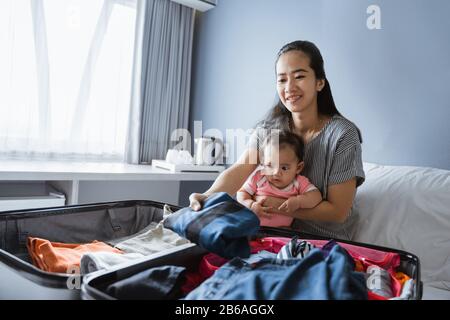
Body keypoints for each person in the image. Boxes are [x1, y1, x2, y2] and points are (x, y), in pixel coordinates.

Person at [189, 40, 365, 240]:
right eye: (282, 80)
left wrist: (277, 206)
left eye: (299, 76)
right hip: (266, 235)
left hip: (321, 242)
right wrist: (208, 195)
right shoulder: (268, 130)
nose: (289, 87)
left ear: (319, 82)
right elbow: (240, 169)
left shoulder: (343, 135)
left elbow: (338, 212)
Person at [237, 130, 322, 227]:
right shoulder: (260, 177)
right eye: (270, 165)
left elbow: (316, 196)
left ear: (298, 168)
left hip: (282, 231)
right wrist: (251, 205)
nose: (276, 173)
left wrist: (299, 202)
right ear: (263, 162)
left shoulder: (298, 182)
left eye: (284, 168)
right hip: (253, 227)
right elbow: (241, 193)